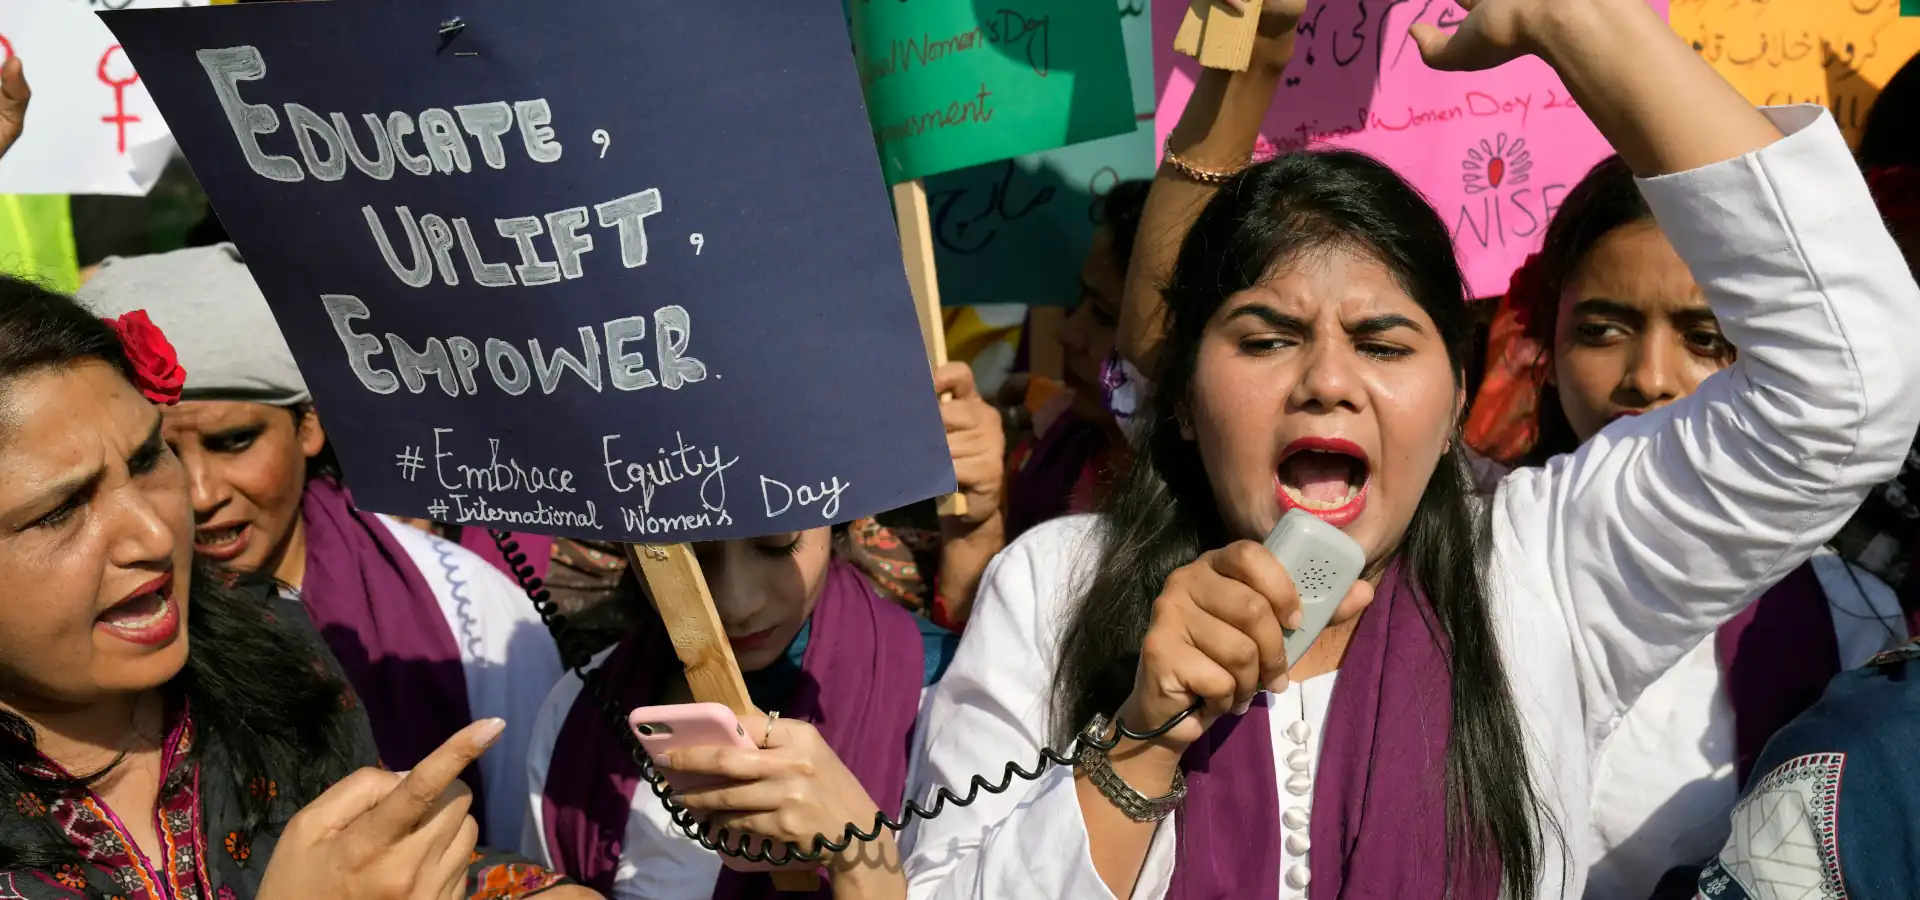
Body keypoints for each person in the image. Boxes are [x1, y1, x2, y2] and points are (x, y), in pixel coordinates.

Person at [898, 1, 1920, 898]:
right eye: (1266, 339)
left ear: (1459, 399)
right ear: (1179, 400)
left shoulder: (1541, 570)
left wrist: (1578, 22)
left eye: (1384, 343)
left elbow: (1852, 385)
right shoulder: (1058, 586)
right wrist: (1142, 738)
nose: (1328, 382)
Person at [0, 275, 589, 899]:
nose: (154, 533)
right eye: (62, 509)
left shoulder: (268, 645)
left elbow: (383, 870)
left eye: (147, 460)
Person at [1482, 154, 1915, 900]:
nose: (1649, 376)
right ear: (1545, 345)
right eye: (1603, 328)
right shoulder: (1464, 558)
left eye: (1705, 337)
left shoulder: (1850, 626)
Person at [524, 526, 961, 900]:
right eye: (685, 554)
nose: (736, 603)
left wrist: (862, 855)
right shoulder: (580, 712)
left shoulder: (947, 699)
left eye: (776, 544)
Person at [1002, 180, 1147, 540]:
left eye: (1102, 313)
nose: (1066, 332)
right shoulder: (1062, 444)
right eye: (1080, 300)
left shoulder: (1219, 523)